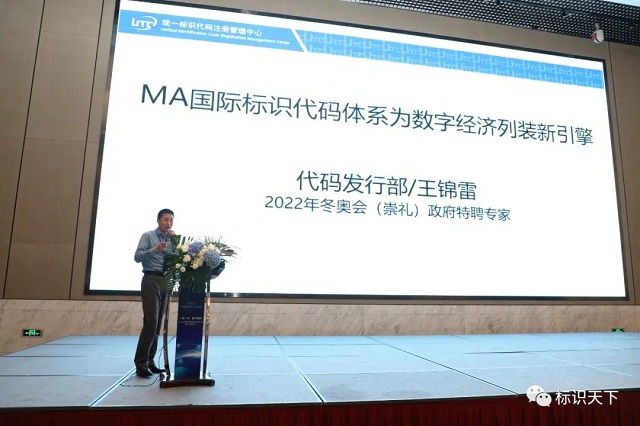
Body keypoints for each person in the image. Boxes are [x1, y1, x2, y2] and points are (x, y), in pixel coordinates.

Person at [133, 208, 175, 378]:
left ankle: (150, 361)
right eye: (165, 219)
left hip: (166, 280)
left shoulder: (173, 239)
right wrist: (155, 250)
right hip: (151, 279)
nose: (168, 223)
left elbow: (177, 259)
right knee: (151, 322)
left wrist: (177, 244)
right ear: (158, 220)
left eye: (171, 220)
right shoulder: (148, 236)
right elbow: (137, 257)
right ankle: (140, 363)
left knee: (157, 325)